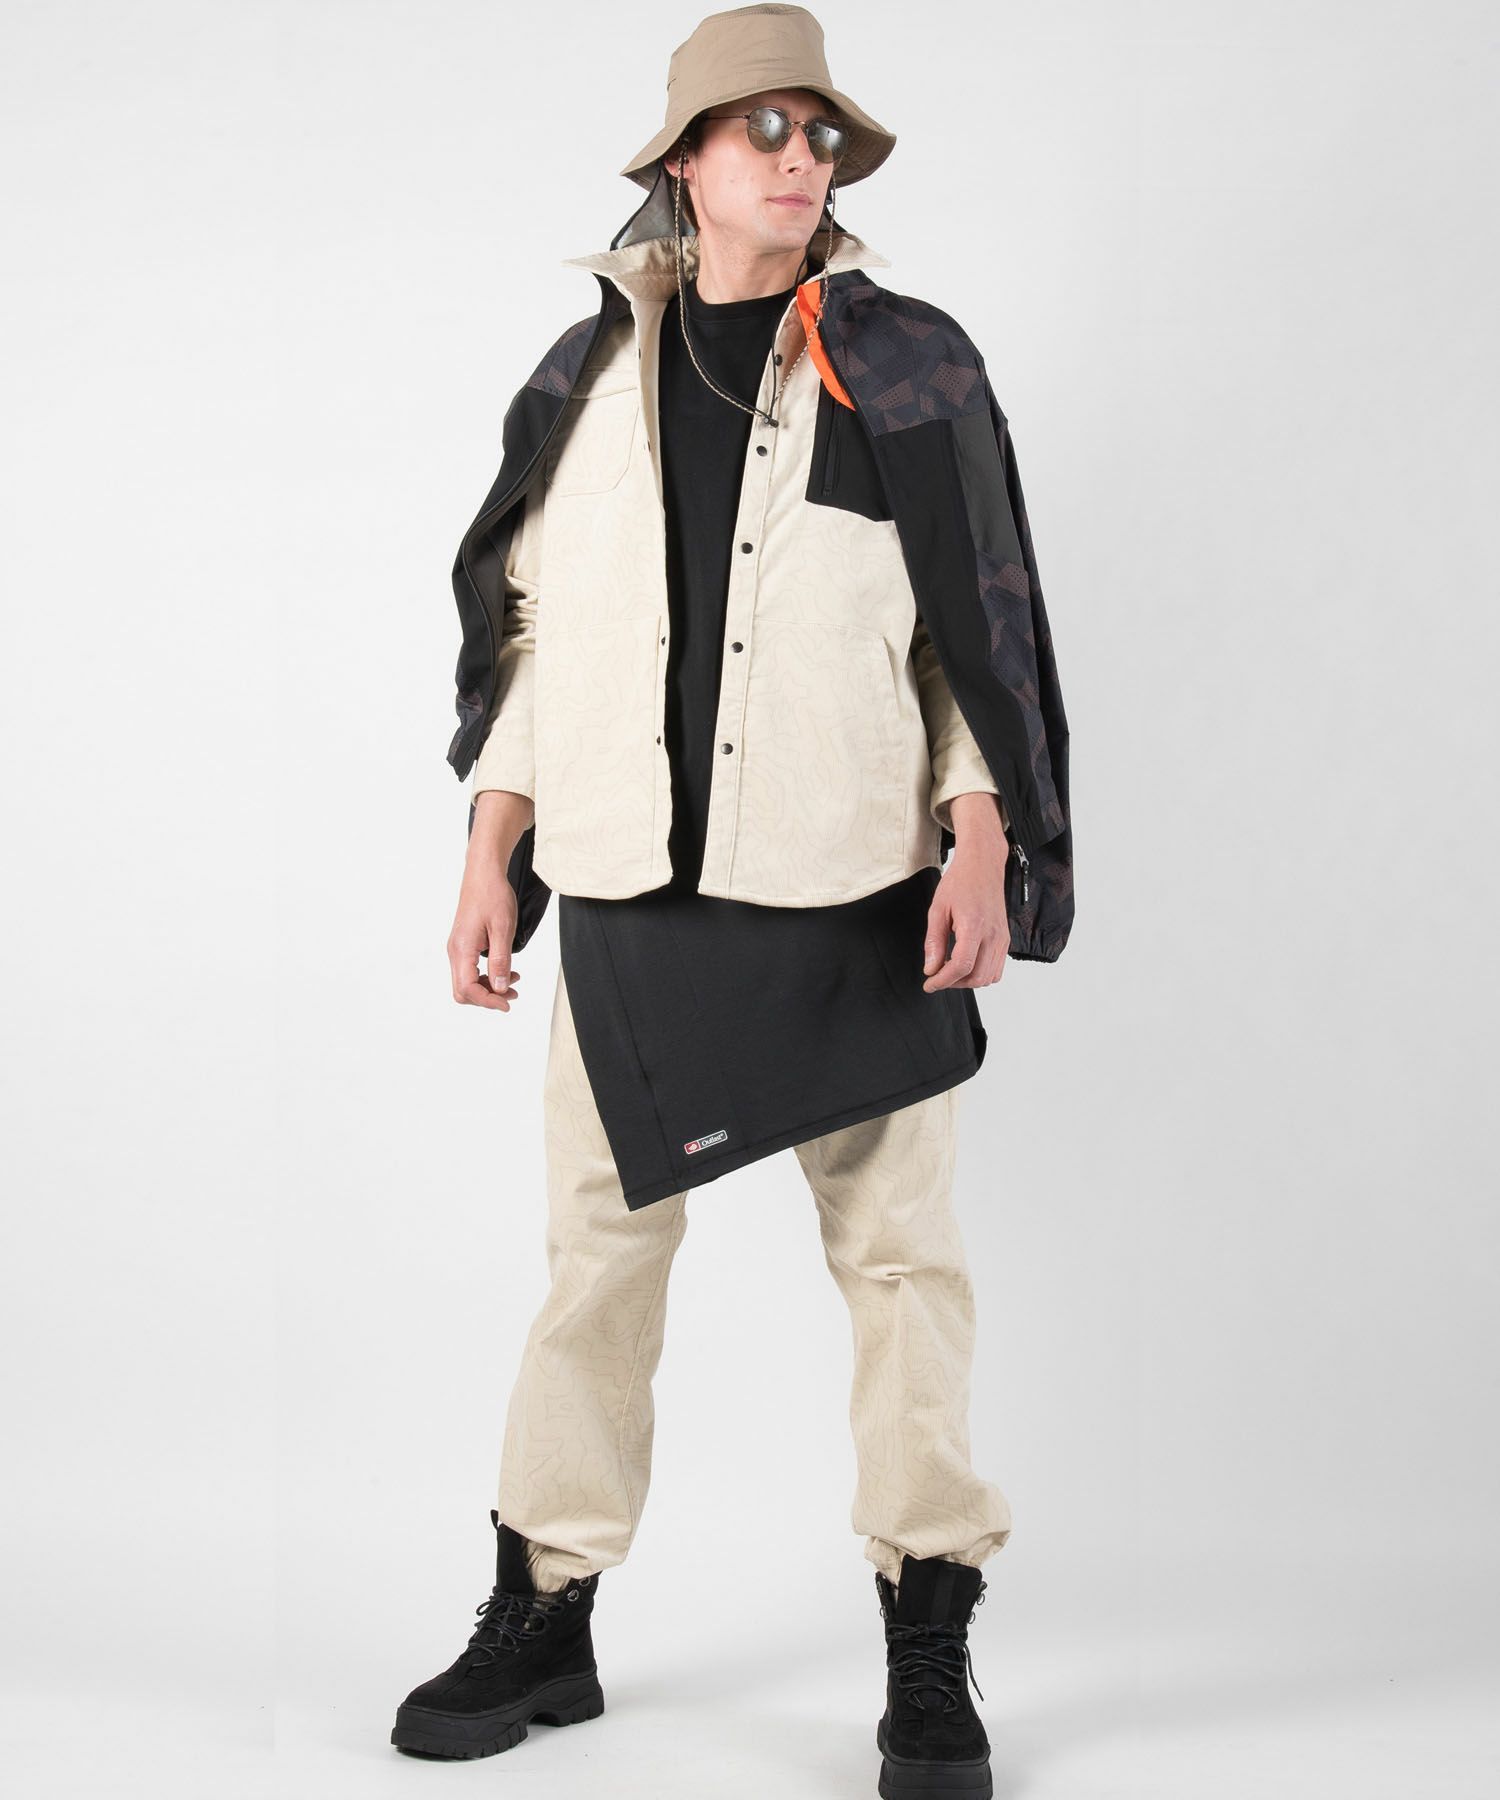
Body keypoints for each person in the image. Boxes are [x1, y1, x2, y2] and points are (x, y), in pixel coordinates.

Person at [392, 7, 1074, 1794]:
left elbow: (970, 626)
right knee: (594, 1268)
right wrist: (492, 840)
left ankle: (927, 1635)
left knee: (903, 1268)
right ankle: (544, 1612)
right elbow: (538, 630)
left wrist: (981, 832)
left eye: (818, 132)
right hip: (630, 884)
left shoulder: (905, 365)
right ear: (682, 163)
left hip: (856, 884)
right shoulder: (583, 378)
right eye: (758, 126)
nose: (797, 156)